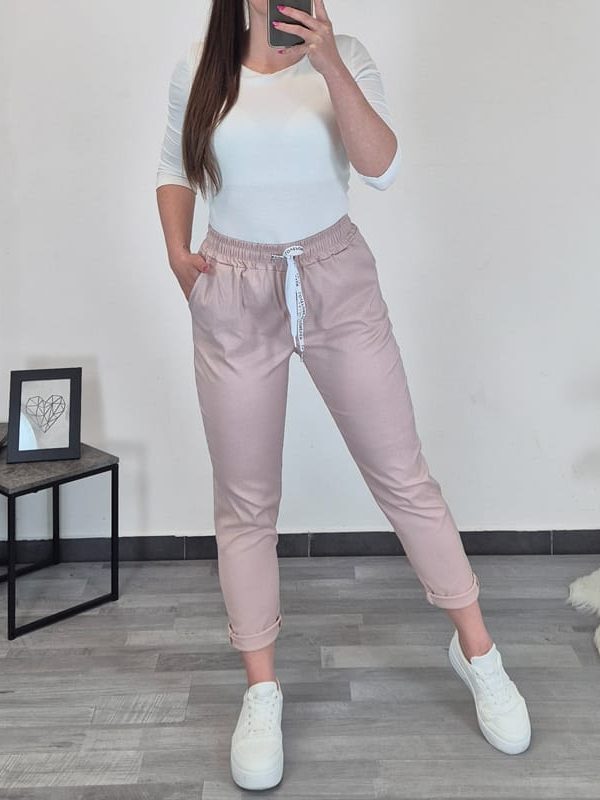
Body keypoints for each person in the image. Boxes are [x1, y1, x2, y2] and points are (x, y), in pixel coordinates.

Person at [156, 0, 531, 791]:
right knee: (245, 501)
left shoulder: (347, 55)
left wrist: (326, 61)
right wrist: (176, 254)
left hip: (336, 278)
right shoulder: (201, 65)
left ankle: (478, 653)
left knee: (403, 474)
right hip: (233, 286)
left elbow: (383, 167)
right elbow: (173, 165)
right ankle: (262, 690)